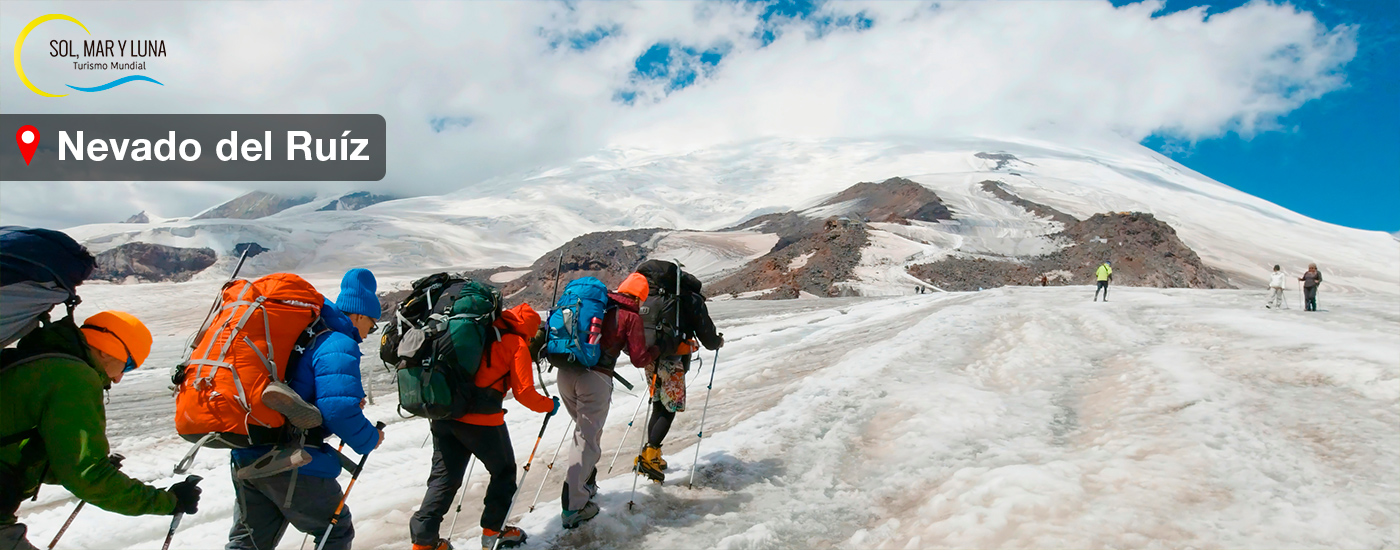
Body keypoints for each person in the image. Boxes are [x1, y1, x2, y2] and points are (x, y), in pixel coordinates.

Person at [2, 311, 202, 550]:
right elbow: (87, 476)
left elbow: (21, 454)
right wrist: (169, 502)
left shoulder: (34, 361)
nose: (118, 379)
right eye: (127, 365)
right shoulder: (74, 376)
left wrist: (83, 463)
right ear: (108, 349)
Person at [226, 269, 385, 550]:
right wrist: (369, 439)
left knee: (248, 543)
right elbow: (337, 408)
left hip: (247, 448)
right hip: (291, 457)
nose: (367, 334)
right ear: (359, 314)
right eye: (371, 326)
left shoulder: (304, 334)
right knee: (334, 531)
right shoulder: (338, 342)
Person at [409, 303, 559, 550]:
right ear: (529, 329)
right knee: (503, 472)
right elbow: (524, 393)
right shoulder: (516, 344)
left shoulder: (478, 332)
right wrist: (548, 406)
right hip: (482, 422)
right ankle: (494, 531)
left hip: (444, 415)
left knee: (444, 479)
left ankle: (424, 543)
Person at [550, 273, 658, 529]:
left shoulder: (597, 304)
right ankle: (574, 507)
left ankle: (586, 483)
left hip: (565, 372)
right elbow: (639, 358)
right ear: (640, 297)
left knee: (585, 434)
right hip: (595, 379)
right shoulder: (630, 316)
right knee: (586, 439)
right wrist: (659, 348)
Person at [634, 283, 724, 483]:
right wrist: (717, 342)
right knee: (669, 407)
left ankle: (653, 455)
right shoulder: (689, 298)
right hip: (673, 360)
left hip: (651, 358)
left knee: (658, 403)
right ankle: (650, 455)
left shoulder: (655, 295)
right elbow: (707, 334)